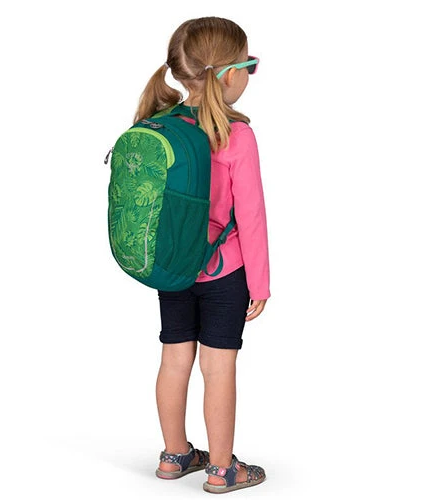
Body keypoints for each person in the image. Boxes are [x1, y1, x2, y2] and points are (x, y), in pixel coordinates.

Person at [133, 16, 270, 494]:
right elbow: (250, 216)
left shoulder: (161, 124)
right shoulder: (236, 135)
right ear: (228, 75)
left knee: (174, 359)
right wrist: (260, 283)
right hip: (223, 272)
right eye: (249, 66)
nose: (250, 75)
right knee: (218, 367)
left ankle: (174, 456)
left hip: (172, 267)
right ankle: (221, 469)